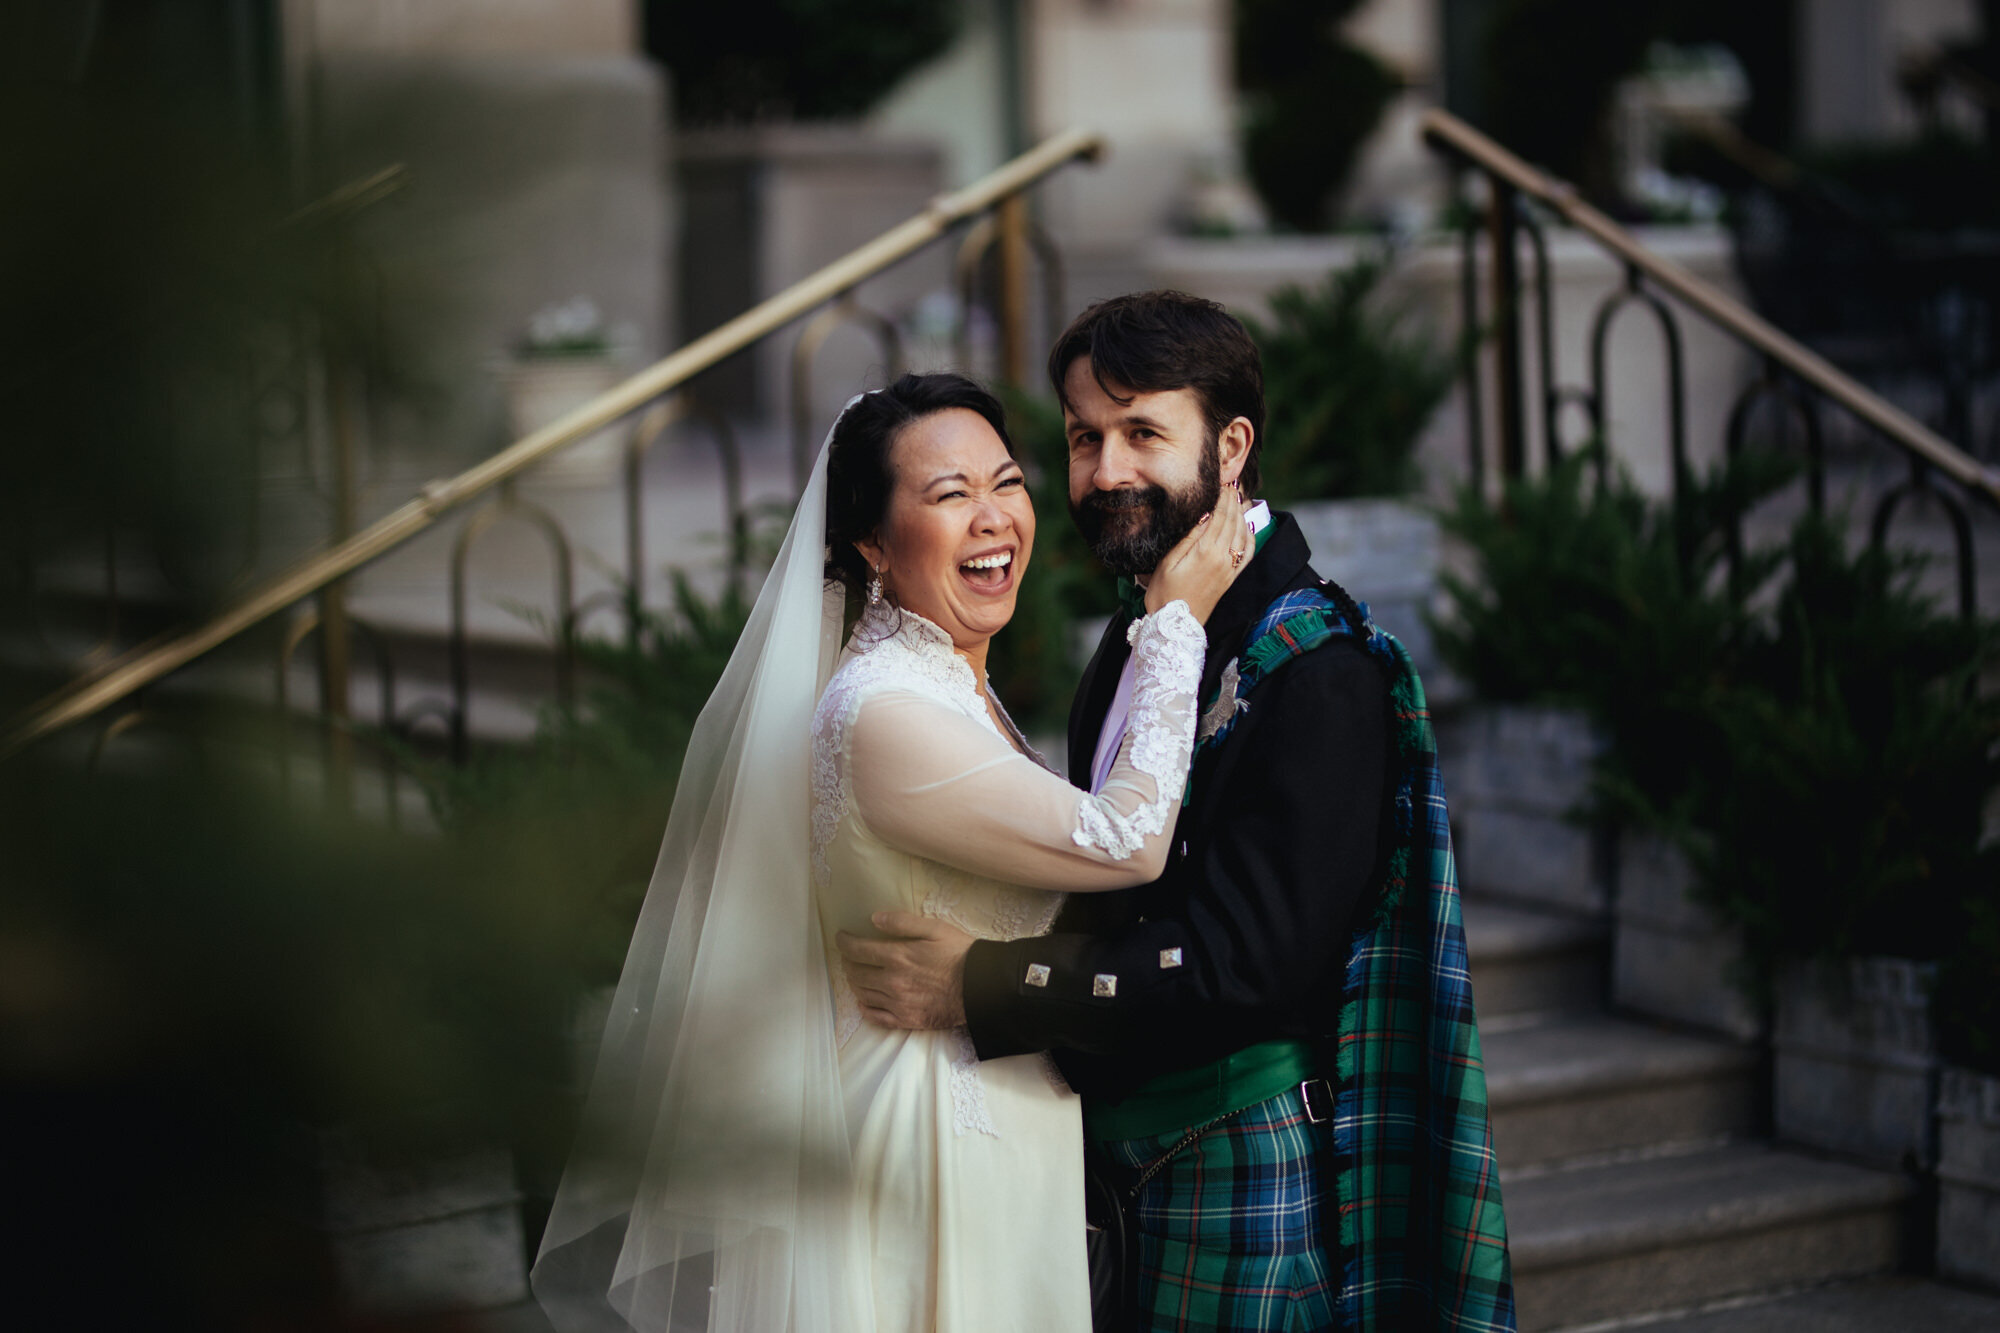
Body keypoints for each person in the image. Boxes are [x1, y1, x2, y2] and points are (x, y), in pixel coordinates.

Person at [838, 294, 1518, 1333]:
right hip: (1111, 1162)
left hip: (1234, 1154)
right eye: (1080, 438)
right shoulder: (1147, 633)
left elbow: (1243, 966)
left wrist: (982, 981)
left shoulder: (1318, 668)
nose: (1104, 470)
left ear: (1231, 445)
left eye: (1142, 432)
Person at [532, 371, 1252, 1333]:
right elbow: (1127, 840)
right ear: (872, 542)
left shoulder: (942, 677)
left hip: (1000, 1121)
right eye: (950, 496)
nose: (994, 519)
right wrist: (1175, 623)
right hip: (929, 1143)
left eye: (1005, 483)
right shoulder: (884, 710)